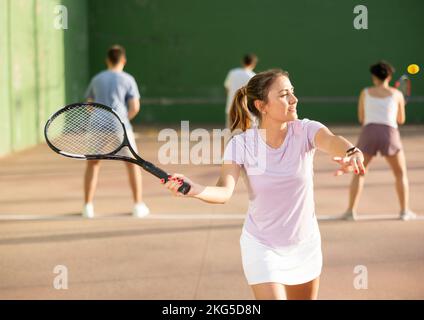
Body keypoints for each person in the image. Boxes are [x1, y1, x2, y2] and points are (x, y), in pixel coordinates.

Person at [162, 69, 365, 300]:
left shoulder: (306, 130)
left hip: (304, 245)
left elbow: (332, 140)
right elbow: (224, 191)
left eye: (293, 92)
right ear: (262, 106)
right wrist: (194, 189)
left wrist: (351, 151)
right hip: (262, 246)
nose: (294, 99)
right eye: (284, 94)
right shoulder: (241, 144)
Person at [342, 61, 417, 221]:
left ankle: (350, 212)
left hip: (369, 132)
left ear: (373, 77)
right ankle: (404, 211)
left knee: (359, 173)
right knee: (400, 173)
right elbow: (401, 120)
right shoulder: (397, 95)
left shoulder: (365, 92)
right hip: (389, 134)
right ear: (389, 76)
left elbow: (362, 118)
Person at [82, 45, 150, 218]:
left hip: (96, 124)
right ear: (123, 60)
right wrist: (124, 118)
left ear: (107, 60)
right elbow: (135, 106)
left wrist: (99, 117)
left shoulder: (97, 78)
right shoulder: (128, 79)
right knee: (132, 164)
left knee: (93, 164)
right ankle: (138, 206)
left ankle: (87, 207)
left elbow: (89, 105)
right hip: (119, 124)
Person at [224, 54, 258, 128]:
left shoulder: (232, 73)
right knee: (247, 134)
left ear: (243, 62)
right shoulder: (253, 76)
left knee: (231, 134)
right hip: (247, 110)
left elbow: (227, 88)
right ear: (253, 64)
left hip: (231, 108)